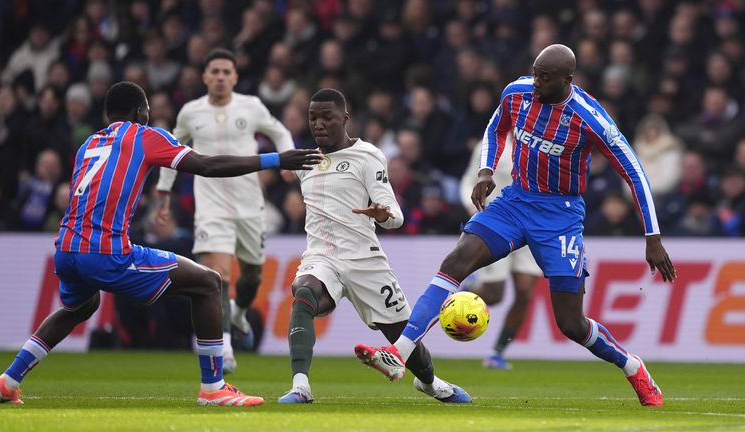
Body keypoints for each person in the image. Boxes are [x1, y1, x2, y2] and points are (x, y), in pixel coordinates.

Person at [354, 45, 676, 407]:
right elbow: (496, 129)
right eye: (535, 73)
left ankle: (632, 366)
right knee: (456, 261)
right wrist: (486, 170)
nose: (536, 82)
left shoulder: (591, 118)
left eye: (545, 77)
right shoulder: (517, 92)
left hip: (560, 217)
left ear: (567, 80)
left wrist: (652, 237)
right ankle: (398, 353)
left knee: (571, 323)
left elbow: (634, 173)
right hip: (515, 201)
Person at [0, 81, 322, 406]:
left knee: (80, 306)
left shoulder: (90, 143)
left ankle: (8, 381)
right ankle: (214, 388)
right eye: (147, 109)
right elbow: (205, 165)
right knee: (207, 283)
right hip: (106, 251)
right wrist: (276, 159)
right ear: (140, 111)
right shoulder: (145, 135)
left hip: (66, 249)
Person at [278, 88, 470, 405]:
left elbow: (396, 216)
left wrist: (383, 215)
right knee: (304, 293)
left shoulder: (367, 156)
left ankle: (430, 383)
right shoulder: (305, 160)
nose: (319, 124)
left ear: (345, 118)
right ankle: (300, 386)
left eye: (327, 117)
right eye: (313, 118)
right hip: (321, 257)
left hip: (364, 261)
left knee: (401, 335)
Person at [156, 48, 295, 373]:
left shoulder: (251, 106)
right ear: (205, 77)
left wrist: (287, 157)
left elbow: (279, 131)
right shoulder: (191, 112)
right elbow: (171, 150)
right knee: (216, 276)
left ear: (235, 77)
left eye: (226, 72)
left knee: (252, 277)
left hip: (249, 205)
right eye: (214, 71)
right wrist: (164, 190)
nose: (220, 77)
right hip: (211, 207)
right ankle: (226, 347)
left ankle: (239, 313)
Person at [459, 139, 542, 370]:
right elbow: (469, 180)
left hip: (532, 225)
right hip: (497, 225)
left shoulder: (544, 144)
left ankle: (497, 353)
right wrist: (470, 204)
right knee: (494, 294)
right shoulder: (491, 145)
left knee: (525, 292)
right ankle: (464, 292)